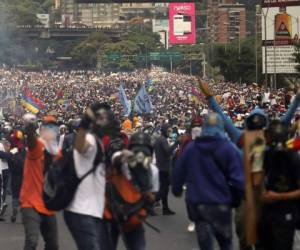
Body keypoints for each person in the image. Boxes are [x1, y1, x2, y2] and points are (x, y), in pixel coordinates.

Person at [172, 113, 244, 250]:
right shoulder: (228, 148)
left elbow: (178, 171)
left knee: (205, 245)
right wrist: (237, 198)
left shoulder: (192, 148)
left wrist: (177, 189)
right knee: (225, 243)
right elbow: (239, 178)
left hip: (199, 204)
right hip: (221, 203)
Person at [64, 102, 112, 250]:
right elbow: (79, 146)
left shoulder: (98, 140)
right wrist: (84, 124)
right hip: (82, 211)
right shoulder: (90, 139)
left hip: (92, 210)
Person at [20, 114, 60, 250]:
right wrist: (30, 127)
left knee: (53, 245)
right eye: (47, 127)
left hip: (48, 205)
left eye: (53, 128)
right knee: (31, 241)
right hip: (31, 203)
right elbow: (31, 142)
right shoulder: (39, 146)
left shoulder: (58, 153)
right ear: (42, 129)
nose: (51, 131)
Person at [258, 120, 300, 250]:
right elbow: (257, 179)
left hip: (286, 214)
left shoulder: (293, 158)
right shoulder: (265, 155)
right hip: (267, 214)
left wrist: (278, 196)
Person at [154, 123, 178, 215]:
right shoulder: (163, 140)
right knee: (163, 189)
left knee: (164, 188)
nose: (170, 133)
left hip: (161, 166)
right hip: (164, 168)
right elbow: (168, 152)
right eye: (168, 131)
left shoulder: (159, 139)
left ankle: (165, 208)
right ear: (164, 130)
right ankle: (150, 204)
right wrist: (176, 143)